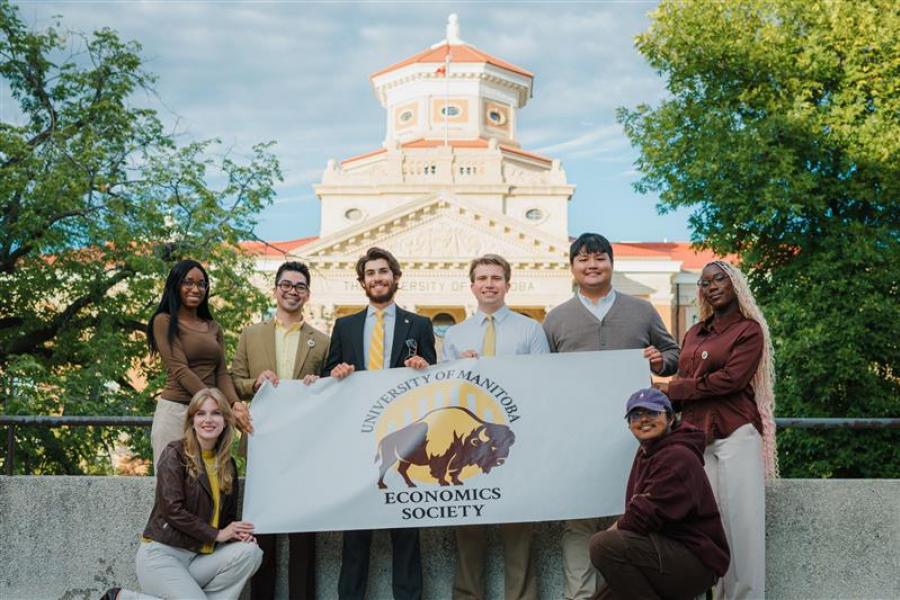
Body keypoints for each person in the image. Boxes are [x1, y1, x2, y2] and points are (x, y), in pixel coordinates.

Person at [542, 233, 680, 600]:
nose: (592, 266)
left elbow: (673, 354)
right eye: (584, 260)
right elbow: (541, 380)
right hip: (577, 438)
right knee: (578, 521)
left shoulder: (642, 310)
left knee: (633, 515)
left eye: (599, 258)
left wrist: (659, 360)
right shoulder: (555, 320)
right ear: (572, 267)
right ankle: (580, 596)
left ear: (611, 263)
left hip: (636, 437)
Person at [322, 247, 437, 600]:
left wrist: (423, 365)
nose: (377, 278)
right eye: (370, 273)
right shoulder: (345, 325)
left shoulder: (419, 324)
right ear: (363, 282)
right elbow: (328, 374)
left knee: (406, 529)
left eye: (383, 271)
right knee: (356, 531)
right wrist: (336, 372)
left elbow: (434, 377)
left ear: (395, 277)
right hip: (358, 437)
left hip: (404, 434)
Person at [657, 260, 776, 599]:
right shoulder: (694, 333)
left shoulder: (749, 330)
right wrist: (660, 397)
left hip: (736, 434)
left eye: (717, 279)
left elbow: (730, 380)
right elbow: (684, 379)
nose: (710, 286)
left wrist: (672, 390)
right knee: (709, 528)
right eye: (704, 282)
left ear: (734, 282)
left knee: (744, 529)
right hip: (696, 439)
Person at [442, 254, 550, 600]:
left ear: (507, 283)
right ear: (472, 285)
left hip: (513, 441)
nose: (489, 283)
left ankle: (521, 596)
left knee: (518, 527)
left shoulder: (531, 330)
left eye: (496, 278)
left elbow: (542, 384)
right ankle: (467, 595)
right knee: (468, 524)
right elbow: (444, 393)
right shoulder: (456, 335)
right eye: (483, 278)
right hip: (469, 444)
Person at [104, 388, 263, 600]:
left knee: (251, 553)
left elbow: (226, 521)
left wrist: (236, 535)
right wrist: (217, 534)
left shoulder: (227, 465)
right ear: (192, 421)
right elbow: (172, 509)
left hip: (198, 559)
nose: (208, 419)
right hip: (162, 556)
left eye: (215, 413)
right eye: (201, 413)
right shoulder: (175, 453)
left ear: (226, 420)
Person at [231, 261, 330, 600]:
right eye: (286, 284)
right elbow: (233, 383)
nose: (292, 291)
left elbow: (332, 393)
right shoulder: (250, 334)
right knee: (264, 538)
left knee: (304, 539)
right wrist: (254, 382)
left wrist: (319, 385)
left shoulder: (322, 341)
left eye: (300, 286)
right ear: (275, 290)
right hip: (263, 447)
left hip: (304, 450)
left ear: (307, 295)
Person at [589, 388, 729, 600]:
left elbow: (642, 516)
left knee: (603, 546)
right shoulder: (648, 452)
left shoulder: (677, 456)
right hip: (662, 553)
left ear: (671, 417)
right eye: (636, 415)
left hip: (696, 560)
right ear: (629, 425)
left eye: (652, 413)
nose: (644, 420)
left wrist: (610, 535)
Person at [147, 259, 251, 468]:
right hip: (177, 412)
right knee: (171, 487)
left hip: (208, 416)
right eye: (188, 282)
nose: (195, 289)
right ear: (175, 285)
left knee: (207, 486)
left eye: (201, 284)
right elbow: (180, 369)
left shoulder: (213, 327)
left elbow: (221, 373)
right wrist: (219, 406)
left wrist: (236, 404)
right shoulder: (164, 321)